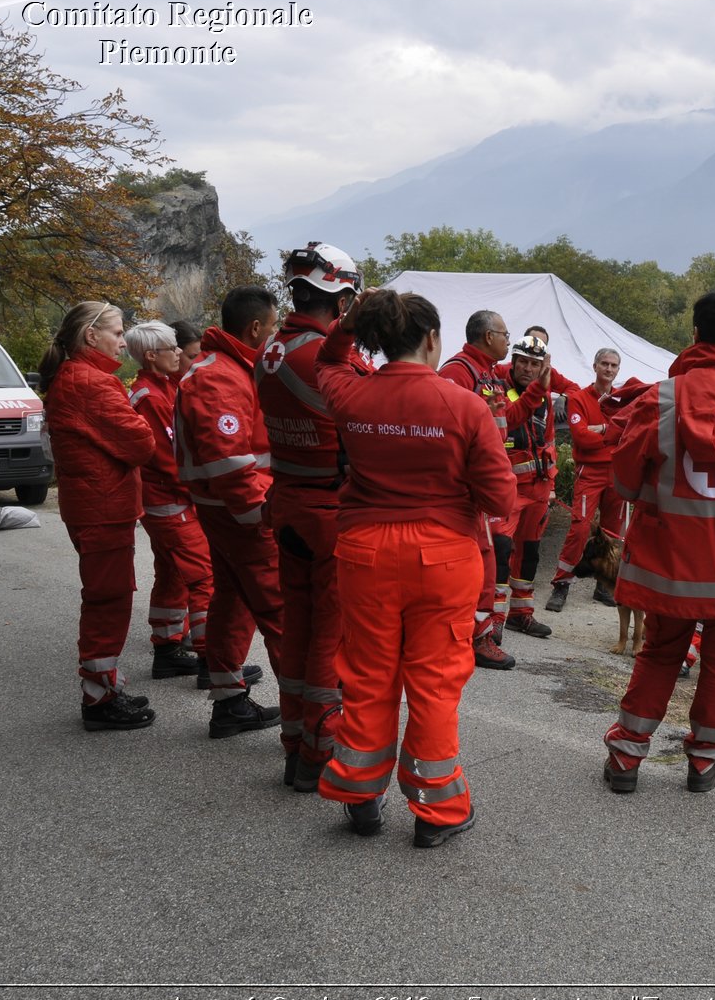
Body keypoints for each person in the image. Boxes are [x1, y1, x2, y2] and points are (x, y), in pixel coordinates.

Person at [313, 288, 516, 846]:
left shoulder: (351, 395)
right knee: (433, 685)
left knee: (366, 675)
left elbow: (327, 361)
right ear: (431, 339)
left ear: (377, 337)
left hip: (363, 554)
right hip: (444, 559)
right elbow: (501, 500)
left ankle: (359, 794)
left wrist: (348, 325)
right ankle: (437, 812)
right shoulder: (465, 405)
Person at [601, 288, 715, 794]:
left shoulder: (659, 399)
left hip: (670, 561)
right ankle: (706, 759)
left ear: (696, 334)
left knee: (660, 654)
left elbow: (623, 481)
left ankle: (625, 757)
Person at [256, 242, 366, 790]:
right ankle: (319, 753)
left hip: (290, 503)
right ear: (341, 301)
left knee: (296, 630)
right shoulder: (322, 360)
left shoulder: (271, 350)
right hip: (330, 512)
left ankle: (294, 744)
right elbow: (368, 416)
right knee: (329, 638)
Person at [39, 302, 156, 731]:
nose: (123, 340)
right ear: (92, 337)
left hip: (93, 504)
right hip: (102, 508)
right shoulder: (92, 383)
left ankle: (104, 687)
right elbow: (141, 444)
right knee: (109, 599)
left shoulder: (80, 378)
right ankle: (100, 698)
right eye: (117, 331)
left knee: (107, 595)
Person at [175, 285, 283, 740]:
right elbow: (231, 462)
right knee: (282, 614)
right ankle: (310, 724)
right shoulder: (220, 376)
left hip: (224, 512)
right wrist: (258, 516)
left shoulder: (230, 368)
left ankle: (229, 700)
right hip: (242, 514)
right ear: (255, 328)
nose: (276, 334)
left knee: (231, 600)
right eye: (274, 326)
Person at [125, 321, 213, 682]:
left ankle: (167, 649)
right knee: (205, 576)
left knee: (172, 572)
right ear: (151, 356)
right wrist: (206, 490)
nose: (179, 353)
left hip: (166, 498)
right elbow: (167, 459)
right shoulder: (150, 398)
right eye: (172, 349)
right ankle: (215, 663)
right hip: (169, 501)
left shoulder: (165, 388)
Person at [439, 309, 517, 670]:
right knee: (480, 562)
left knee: (488, 559)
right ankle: (473, 636)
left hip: (481, 485)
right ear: (488, 337)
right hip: (465, 488)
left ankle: (478, 633)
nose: (507, 340)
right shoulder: (459, 371)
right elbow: (446, 428)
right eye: (505, 334)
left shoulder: (488, 373)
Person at [545, 347, 624, 612]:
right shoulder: (579, 397)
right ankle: (561, 584)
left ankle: (603, 585)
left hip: (617, 473)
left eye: (613, 365)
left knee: (612, 533)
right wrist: (610, 432)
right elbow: (580, 438)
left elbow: (628, 433)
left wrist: (600, 430)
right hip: (589, 472)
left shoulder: (622, 399)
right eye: (604, 364)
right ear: (595, 366)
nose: (609, 369)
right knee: (580, 529)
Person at [496, 335, 559, 639]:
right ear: (514, 361)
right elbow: (506, 422)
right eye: (523, 361)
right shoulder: (496, 389)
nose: (527, 368)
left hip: (538, 487)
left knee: (530, 552)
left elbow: (548, 441)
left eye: (534, 364)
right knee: (501, 550)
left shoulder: (546, 397)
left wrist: (552, 484)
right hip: (508, 488)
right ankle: (491, 620)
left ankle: (521, 614)